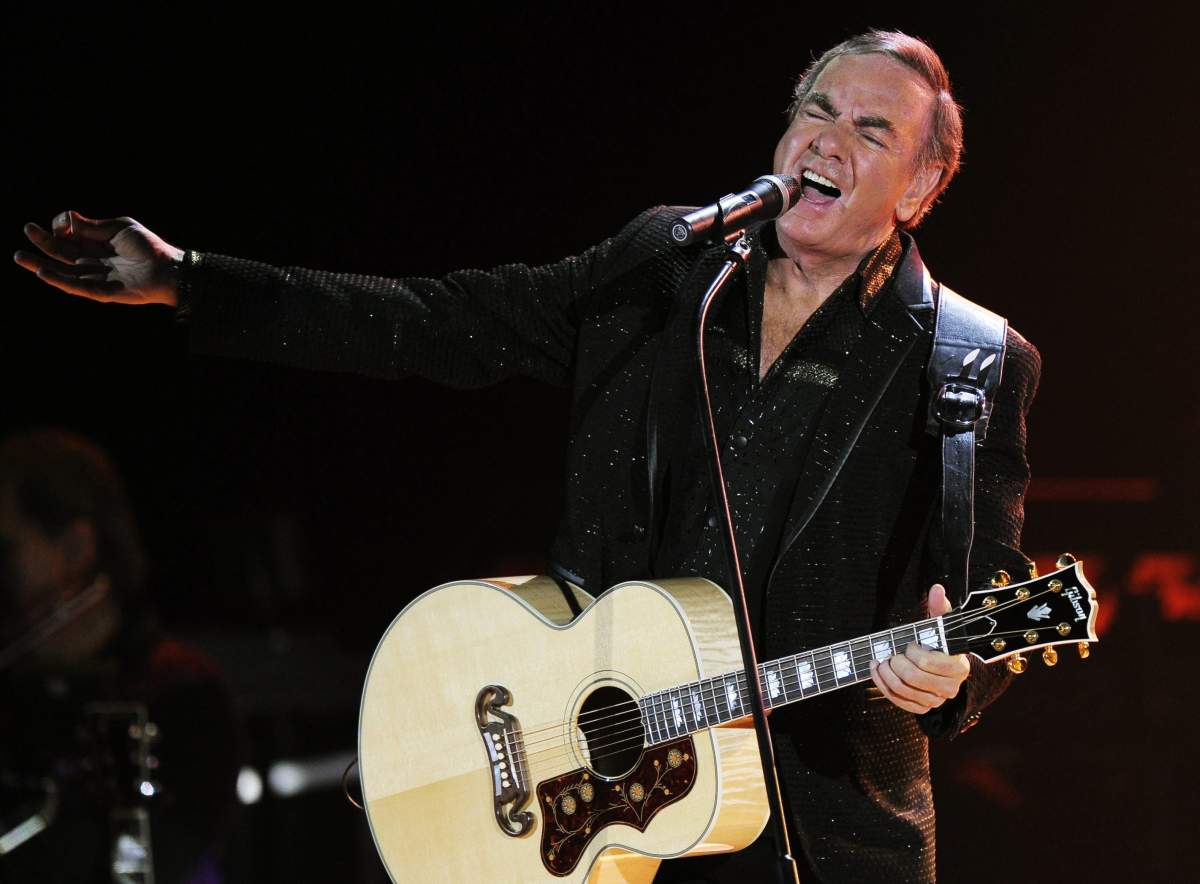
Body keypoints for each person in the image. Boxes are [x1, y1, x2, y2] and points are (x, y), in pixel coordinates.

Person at [13, 30, 1040, 884]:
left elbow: (987, 582)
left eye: (872, 130)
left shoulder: (968, 360)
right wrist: (192, 282)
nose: (829, 139)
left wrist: (952, 669)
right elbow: (444, 321)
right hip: (588, 798)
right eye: (817, 110)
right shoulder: (671, 268)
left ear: (922, 183)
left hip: (823, 832)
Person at [0, 430, 239, 884]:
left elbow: (167, 857)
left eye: (5, 550)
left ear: (75, 548)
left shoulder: (180, 692)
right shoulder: (11, 693)